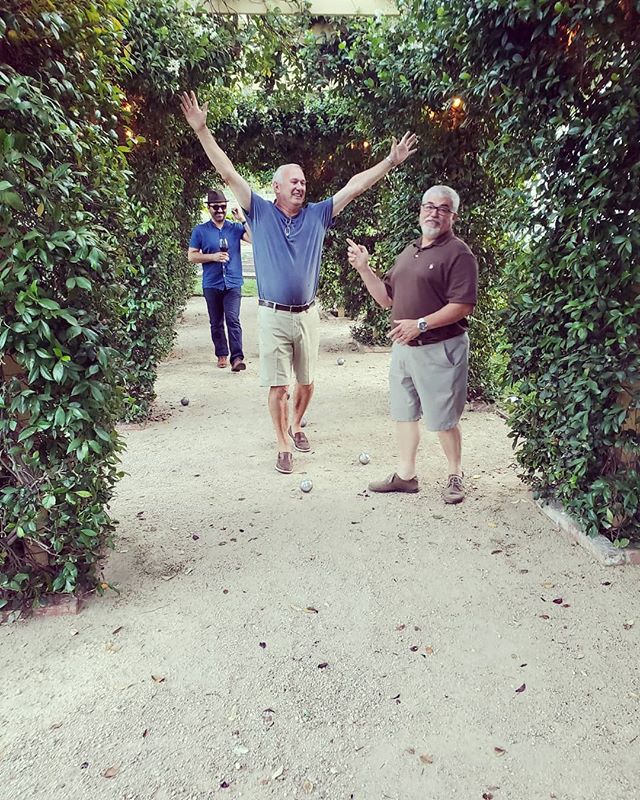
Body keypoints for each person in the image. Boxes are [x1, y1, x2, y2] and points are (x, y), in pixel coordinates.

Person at [180, 91, 417, 474]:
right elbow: (228, 174)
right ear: (275, 187)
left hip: (307, 315)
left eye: (303, 182)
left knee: (306, 384)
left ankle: (296, 423)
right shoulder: (257, 212)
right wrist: (202, 130)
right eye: (293, 181)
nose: (300, 186)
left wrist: (389, 161)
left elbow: (354, 186)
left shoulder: (318, 215)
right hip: (273, 315)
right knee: (279, 387)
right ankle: (282, 443)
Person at [347, 185, 478, 503]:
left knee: (443, 419)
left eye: (442, 208)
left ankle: (455, 475)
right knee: (404, 413)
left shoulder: (459, 254)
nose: (434, 212)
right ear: (420, 210)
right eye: (428, 206)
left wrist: (420, 325)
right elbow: (385, 298)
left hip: (440, 348)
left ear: (452, 216)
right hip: (403, 348)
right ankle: (406, 476)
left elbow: (462, 305)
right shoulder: (409, 251)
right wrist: (364, 269)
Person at [188, 189, 251, 372]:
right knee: (216, 321)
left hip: (232, 283)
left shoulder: (235, 228)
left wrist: (242, 219)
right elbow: (191, 256)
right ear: (209, 208)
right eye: (216, 207)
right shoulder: (200, 231)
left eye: (223, 207)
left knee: (233, 319)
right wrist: (213, 257)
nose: (220, 210)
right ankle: (221, 354)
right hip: (211, 283)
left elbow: (255, 239)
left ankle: (237, 358)